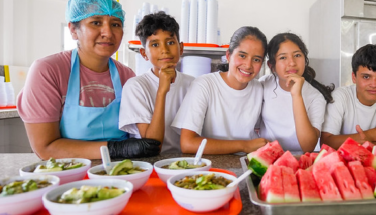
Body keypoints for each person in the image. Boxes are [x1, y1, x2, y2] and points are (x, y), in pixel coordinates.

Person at [17, 0, 160, 160]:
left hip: (121, 173)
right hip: (69, 174)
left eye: (115, 24)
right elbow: (46, 148)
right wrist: (114, 149)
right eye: (96, 22)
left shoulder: (126, 76)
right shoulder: (48, 71)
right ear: (73, 30)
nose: (108, 32)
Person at [172, 26, 269, 154]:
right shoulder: (204, 85)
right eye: (242, 55)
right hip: (210, 166)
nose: (248, 65)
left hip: (248, 164)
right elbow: (188, 143)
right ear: (228, 55)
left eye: (256, 59)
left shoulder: (260, 88)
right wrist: (244, 146)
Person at [119, 12, 193, 154]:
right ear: (144, 53)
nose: (164, 50)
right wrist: (161, 91)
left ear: (181, 48)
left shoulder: (193, 84)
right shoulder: (135, 86)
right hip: (148, 164)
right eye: (155, 44)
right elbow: (152, 145)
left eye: (170, 42)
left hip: (185, 162)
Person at [259, 33, 334, 153]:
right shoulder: (264, 84)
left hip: (299, 160)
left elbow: (308, 146)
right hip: (267, 155)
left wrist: (296, 95)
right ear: (271, 66)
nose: (292, 63)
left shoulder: (316, 97)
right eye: (283, 57)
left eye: (297, 55)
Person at [321, 44, 376, 149]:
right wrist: (375, 134)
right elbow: (326, 143)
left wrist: (349, 140)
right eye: (366, 77)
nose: (374, 84)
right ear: (354, 77)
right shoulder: (340, 96)